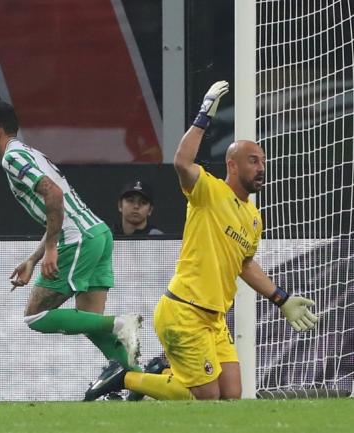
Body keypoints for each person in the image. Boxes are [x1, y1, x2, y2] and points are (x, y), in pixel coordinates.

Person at [85, 80, 319, 401]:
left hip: (214, 318)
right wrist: (204, 115)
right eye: (253, 160)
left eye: (263, 161)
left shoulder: (253, 218)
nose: (261, 167)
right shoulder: (208, 191)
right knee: (203, 398)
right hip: (184, 311)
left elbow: (245, 264)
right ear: (232, 165)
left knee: (232, 395)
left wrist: (281, 298)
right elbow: (182, 162)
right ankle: (126, 377)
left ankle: (157, 371)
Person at [0, 100, 144, 393]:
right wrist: (32, 258)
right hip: (98, 233)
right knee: (90, 323)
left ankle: (120, 323)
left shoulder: (11, 158)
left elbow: (52, 194)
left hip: (77, 239)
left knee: (35, 316)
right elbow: (55, 210)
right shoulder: (29, 153)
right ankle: (140, 382)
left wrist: (52, 248)